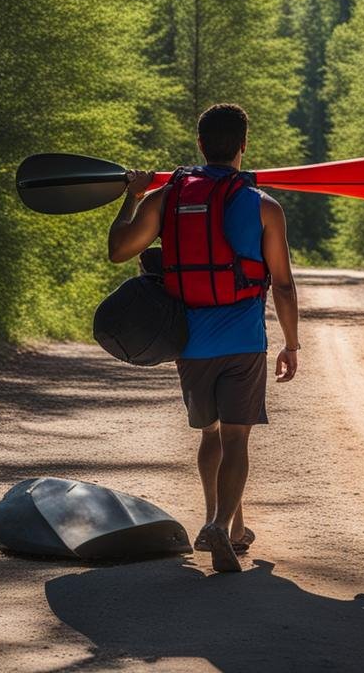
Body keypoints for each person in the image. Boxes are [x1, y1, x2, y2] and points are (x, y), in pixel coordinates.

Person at [107, 103, 300, 573]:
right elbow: (283, 284)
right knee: (238, 438)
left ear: (199, 144)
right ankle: (218, 523)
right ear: (243, 145)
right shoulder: (264, 206)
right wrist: (292, 344)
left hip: (190, 341)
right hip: (244, 340)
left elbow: (119, 251)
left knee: (210, 434)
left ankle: (232, 528)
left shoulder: (165, 197)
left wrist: (131, 196)